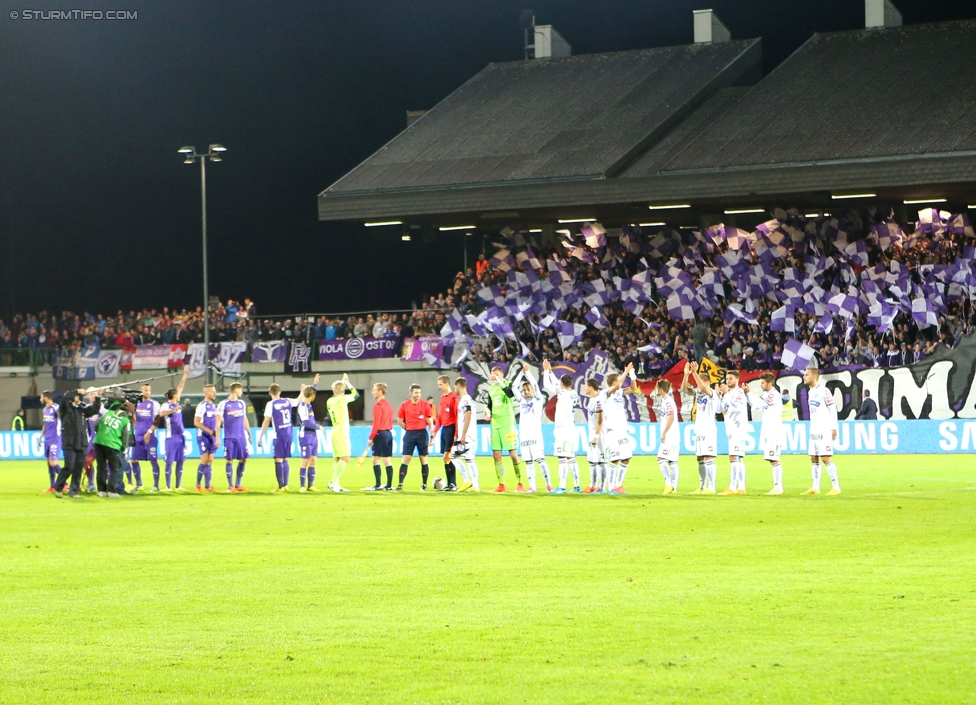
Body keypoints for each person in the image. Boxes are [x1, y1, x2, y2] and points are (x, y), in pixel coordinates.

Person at [259, 376, 313, 492]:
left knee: (278, 459)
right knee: (285, 459)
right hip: (289, 432)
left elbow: (266, 421)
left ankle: (281, 486)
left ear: (270, 393)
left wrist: (261, 436)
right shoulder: (287, 401)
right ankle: (286, 485)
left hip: (278, 434)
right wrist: (301, 392)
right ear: (280, 392)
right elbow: (298, 400)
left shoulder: (270, 404)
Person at [53, 389, 101, 498]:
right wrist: (76, 390)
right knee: (69, 467)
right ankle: (58, 487)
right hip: (69, 443)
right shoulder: (64, 408)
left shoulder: (82, 409)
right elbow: (65, 398)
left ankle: (74, 491)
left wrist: (97, 397)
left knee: (78, 468)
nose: (79, 397)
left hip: (82, 442)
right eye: (77, 395)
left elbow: (94, 410)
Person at [542, 359, 581, 493]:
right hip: (571, 428)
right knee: (571, 457)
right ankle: (577, 486)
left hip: (563, 429)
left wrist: (546, 370)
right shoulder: (573, 393)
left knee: (562, 458)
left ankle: (562, 487)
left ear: (562, 384)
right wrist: (551, 372)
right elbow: (558, 383)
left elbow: (547, 384)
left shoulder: (563, 394)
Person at [744, 373, 785, 495]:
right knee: (771, 459)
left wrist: (749, 392)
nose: (761, 385)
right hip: (768, 430)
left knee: (774, 459)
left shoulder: (774, 395)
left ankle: (779, 488)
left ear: (769, 383)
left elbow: (757, 404)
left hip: (774, 431)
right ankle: (777, 487)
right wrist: (747, 394)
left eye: (762, 383)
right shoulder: (766, 394)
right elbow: (754, 404)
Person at [485, 366, 524, 493]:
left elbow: (510, 394)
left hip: (508, 424)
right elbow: (490, 406)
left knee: (513, 454)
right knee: (496, 455)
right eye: (492, 374)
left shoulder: (508, 385)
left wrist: (500, 381)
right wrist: (487, 411)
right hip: (495, 425)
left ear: (502, 375)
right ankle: (501, 484)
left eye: (496, 374)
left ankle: (520, 482)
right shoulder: (491, 389)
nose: (494, 376)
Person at [803, 367, 841, 495]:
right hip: (814, 430)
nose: (804, 377)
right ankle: (815, 487)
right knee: (814, 458)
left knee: (825, 458)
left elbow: (833, 408)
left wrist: (834, 427)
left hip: (824, 430)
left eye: (806, 375)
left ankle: (836, 487)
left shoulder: (824, 391)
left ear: (814, 377)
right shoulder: (810, 392)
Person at [512, 368, 550, 493]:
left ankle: (548, 485)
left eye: (528, 390)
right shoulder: (522, 400)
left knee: (540, 460)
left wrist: (528, 373)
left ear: (533, 390)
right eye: (524, 390)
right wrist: (521, 373)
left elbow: (534, 384)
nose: (526, 392)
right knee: (528, 462)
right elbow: (513, 387)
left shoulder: (538, 400)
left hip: (535, 435)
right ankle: (532, 487)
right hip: (524, 436)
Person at [602, 363, 637, 494]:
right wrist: (626, 371)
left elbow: (633, 388)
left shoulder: (619, 393)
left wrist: (632, 374)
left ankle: (619, 485)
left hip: (622, 430)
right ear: (614, 382)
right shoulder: (606, 393)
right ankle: (611, 487)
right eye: (618, 380)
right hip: (612, 431)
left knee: (626, 458)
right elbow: (616, 385)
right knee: (615, 459)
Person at [686, 361, 719, 494]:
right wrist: (685, 375)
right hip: (699, 429)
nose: (700, 385)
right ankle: (702, 486)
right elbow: (684, 389)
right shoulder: (699, 393)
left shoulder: (712, 393)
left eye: (702, 382)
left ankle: (712, 486)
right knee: (700, 458)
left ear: (707, 383)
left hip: (709, 429)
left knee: (708, 457)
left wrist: (694, 373)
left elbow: (703, 388)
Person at [395, 384, 434, 490]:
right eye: (416, 392)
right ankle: (400, 483)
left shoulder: (425, 405)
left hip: (422, 433)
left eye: (419, 392)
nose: (418, 395)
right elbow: (399, 420)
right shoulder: (404, 405)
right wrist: (407, 428)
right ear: (411, 393)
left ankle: (424, 484)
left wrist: (432, 433)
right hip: (410, 434)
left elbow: (430, 420)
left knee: (423, 459)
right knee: (406, 458)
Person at [158, 366, 190, 491]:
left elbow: (180, 387)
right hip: (171, 437)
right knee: (169, 461)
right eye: (177, 394)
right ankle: (167, 486)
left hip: (180, 436)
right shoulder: (166, 405)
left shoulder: (176, 403)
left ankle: (178, 485)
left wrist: (185, 375)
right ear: (174, 396)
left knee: (181, 461)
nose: (179, 395)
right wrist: (173, 410)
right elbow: (161, 414)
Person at [93, 398, 133, 497]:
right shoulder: (125, 420)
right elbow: (125, 437)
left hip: (98, 442)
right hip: (112, 445)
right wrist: (124, 449)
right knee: (115, 468)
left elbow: (96, 424)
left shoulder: (108, 414)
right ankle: (112, 491)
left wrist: (101, 433)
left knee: (101, 467)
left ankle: (101, 491)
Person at [326, 373, 358, 493]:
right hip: (342, 431)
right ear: (343, 390)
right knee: (345, 458)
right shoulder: (343, 399)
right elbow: (356, 394)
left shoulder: (329, 401)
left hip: (334, 430)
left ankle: (336, 483)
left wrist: (341, 384)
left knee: (337, 458)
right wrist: (348, 382)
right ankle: (334, 483)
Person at [216, 382, 251, 492]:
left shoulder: (241, 403)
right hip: (229, 437)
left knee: (244, 459)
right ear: (235, 390)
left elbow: (244, 418)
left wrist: (249, 433)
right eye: (240, 390)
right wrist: (217, 437)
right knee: (229, 460)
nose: (241, 392)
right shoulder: (223, 404)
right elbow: (217, 421)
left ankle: (238, 484)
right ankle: (230, 486)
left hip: (241, 436)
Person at [718, 370, 748, 496]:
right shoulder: (728, 394)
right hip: (731, 429)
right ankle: (741, 487)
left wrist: (726, 394)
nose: (728, 381)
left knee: (733, 457)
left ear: (737, 380)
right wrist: (721, 395)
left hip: (738, 429)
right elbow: (719, 409)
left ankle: (732, 487)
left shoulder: (739, 392)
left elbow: (736, 407)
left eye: (730, 378)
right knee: (739, 458)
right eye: (727, 379)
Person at [131, 382, 161, 493]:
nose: (147, 392)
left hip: (150, 436)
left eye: (148, 390)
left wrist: (149, 432)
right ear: (141, 391)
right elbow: (134, 419)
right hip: (138, 435)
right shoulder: (136, 404)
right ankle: (139, 485)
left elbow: (157, 420)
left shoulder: (155, 404)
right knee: (134, 459)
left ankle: (156, 486)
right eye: (145, 390)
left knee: (153, 460)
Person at [364, 382, 394, 491]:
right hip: (388, 433)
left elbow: (376, 423)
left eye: (374, 390)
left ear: (380, 392)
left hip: (380, 433)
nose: (373, 392)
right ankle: (389, 485)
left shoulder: (378, 406)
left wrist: (371, 437)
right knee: (387, 460)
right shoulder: (388, 405)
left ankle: (377, 485)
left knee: (375, 459)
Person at [433, 375, 461, 491]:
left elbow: (458, 418)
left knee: (448, 456)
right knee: (445, 458)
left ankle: (453, 484)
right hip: (444, 429)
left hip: (451, 429)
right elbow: (440, 416)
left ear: (446, 384)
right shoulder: (442, 398)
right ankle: (450, 484)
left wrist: (456, 434)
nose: (439, 386)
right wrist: (435, 431)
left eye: (440, 384)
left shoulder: (454, 398)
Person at [581, 378, 609, 493]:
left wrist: (596, 436)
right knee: (592, 461)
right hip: (593, 433)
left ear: (591, 387)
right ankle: (593, 486)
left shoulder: (597, 401)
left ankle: (601, 487)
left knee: (601, 461)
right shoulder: (592, 400)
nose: (584, 387)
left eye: (586, 385)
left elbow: (600, 419)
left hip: (598, 435)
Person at [453, 377, 480, 492]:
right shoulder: (468, 399)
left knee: (452, 456)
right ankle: (475, 486)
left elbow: (468, 415)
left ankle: (467, 481)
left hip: (467, 435)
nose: (455, 389)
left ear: (458, 385)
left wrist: (463, 435)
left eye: (455, 387)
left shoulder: (465, 400)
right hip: (469, 435)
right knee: (469, 459)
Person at [656, 379, 680, 494]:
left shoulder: (668, 402)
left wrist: (664, 432)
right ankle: (674, 488)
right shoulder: (667, 400)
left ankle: (668, 484)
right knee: (672, 462)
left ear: (660, 389)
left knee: (661, 458)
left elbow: (671, 417)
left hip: (670, 436)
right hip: (674, 435)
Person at [296, 383, 321, 492]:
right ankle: (302, 486)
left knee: (313, 459)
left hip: (313, 435)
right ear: (312, 396)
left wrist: (315, 384)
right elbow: (306, 423)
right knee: (305, 460)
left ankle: (310, 485)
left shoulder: (308, 406)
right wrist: (318, 426)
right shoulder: (302, 407)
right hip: (305, 435)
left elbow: (310, 391)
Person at [193, 384, 219, 492]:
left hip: (212, 437)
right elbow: (196, 422)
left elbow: (217, 423)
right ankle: (198, 485)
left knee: (210, 460)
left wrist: (217, 437)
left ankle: (208, 485)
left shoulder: (213, 406)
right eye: (212, 392)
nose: (214, 394)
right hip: (203, 436)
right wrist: (209, 431)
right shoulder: (202, 405)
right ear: (206, 393)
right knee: (204, 459)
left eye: (215, 391)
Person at [40, 391, 62, 492]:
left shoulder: (56, 408)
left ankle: (64, 482)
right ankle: (52, 486)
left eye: (41, 397)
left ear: (46, 398)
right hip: (47, 439)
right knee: (49, 463)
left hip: (55, 438)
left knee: (53, 463)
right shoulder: (45, 409)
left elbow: (63, 420)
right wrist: (41, 436)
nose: (40, 399)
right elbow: (45, 423)